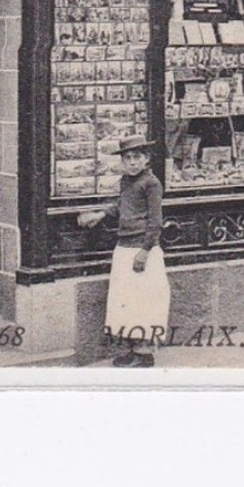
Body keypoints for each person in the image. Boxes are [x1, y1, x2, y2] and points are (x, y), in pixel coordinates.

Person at [76, 136, 169, 366]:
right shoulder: (126, 182)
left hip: (141, 250)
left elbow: (155, 220)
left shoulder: (152, 183)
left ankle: (144, 353)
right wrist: (101, 215)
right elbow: (121, 206)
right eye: (127, 158)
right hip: (124, 247)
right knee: (125, 299)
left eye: (137, 157)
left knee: (143, 300)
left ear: (146, 159)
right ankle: (132, 348)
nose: (132, 162)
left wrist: (145, 251)